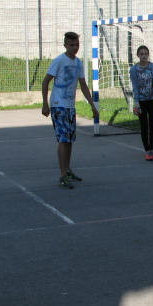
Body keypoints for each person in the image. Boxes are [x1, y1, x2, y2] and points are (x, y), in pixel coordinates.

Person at [42, 31, 99, 189]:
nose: (75, 48)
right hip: (58, 105)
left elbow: (83, 85)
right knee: (63, 139)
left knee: (70, 139)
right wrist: (45, 104)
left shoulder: (78, 63)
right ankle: (62, 175)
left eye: (77, 45)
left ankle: (67, 170)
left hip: (70, 106)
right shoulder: (59, 61)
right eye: (71, 45)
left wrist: (92, 105)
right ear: (65, 45)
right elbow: (45, 82)